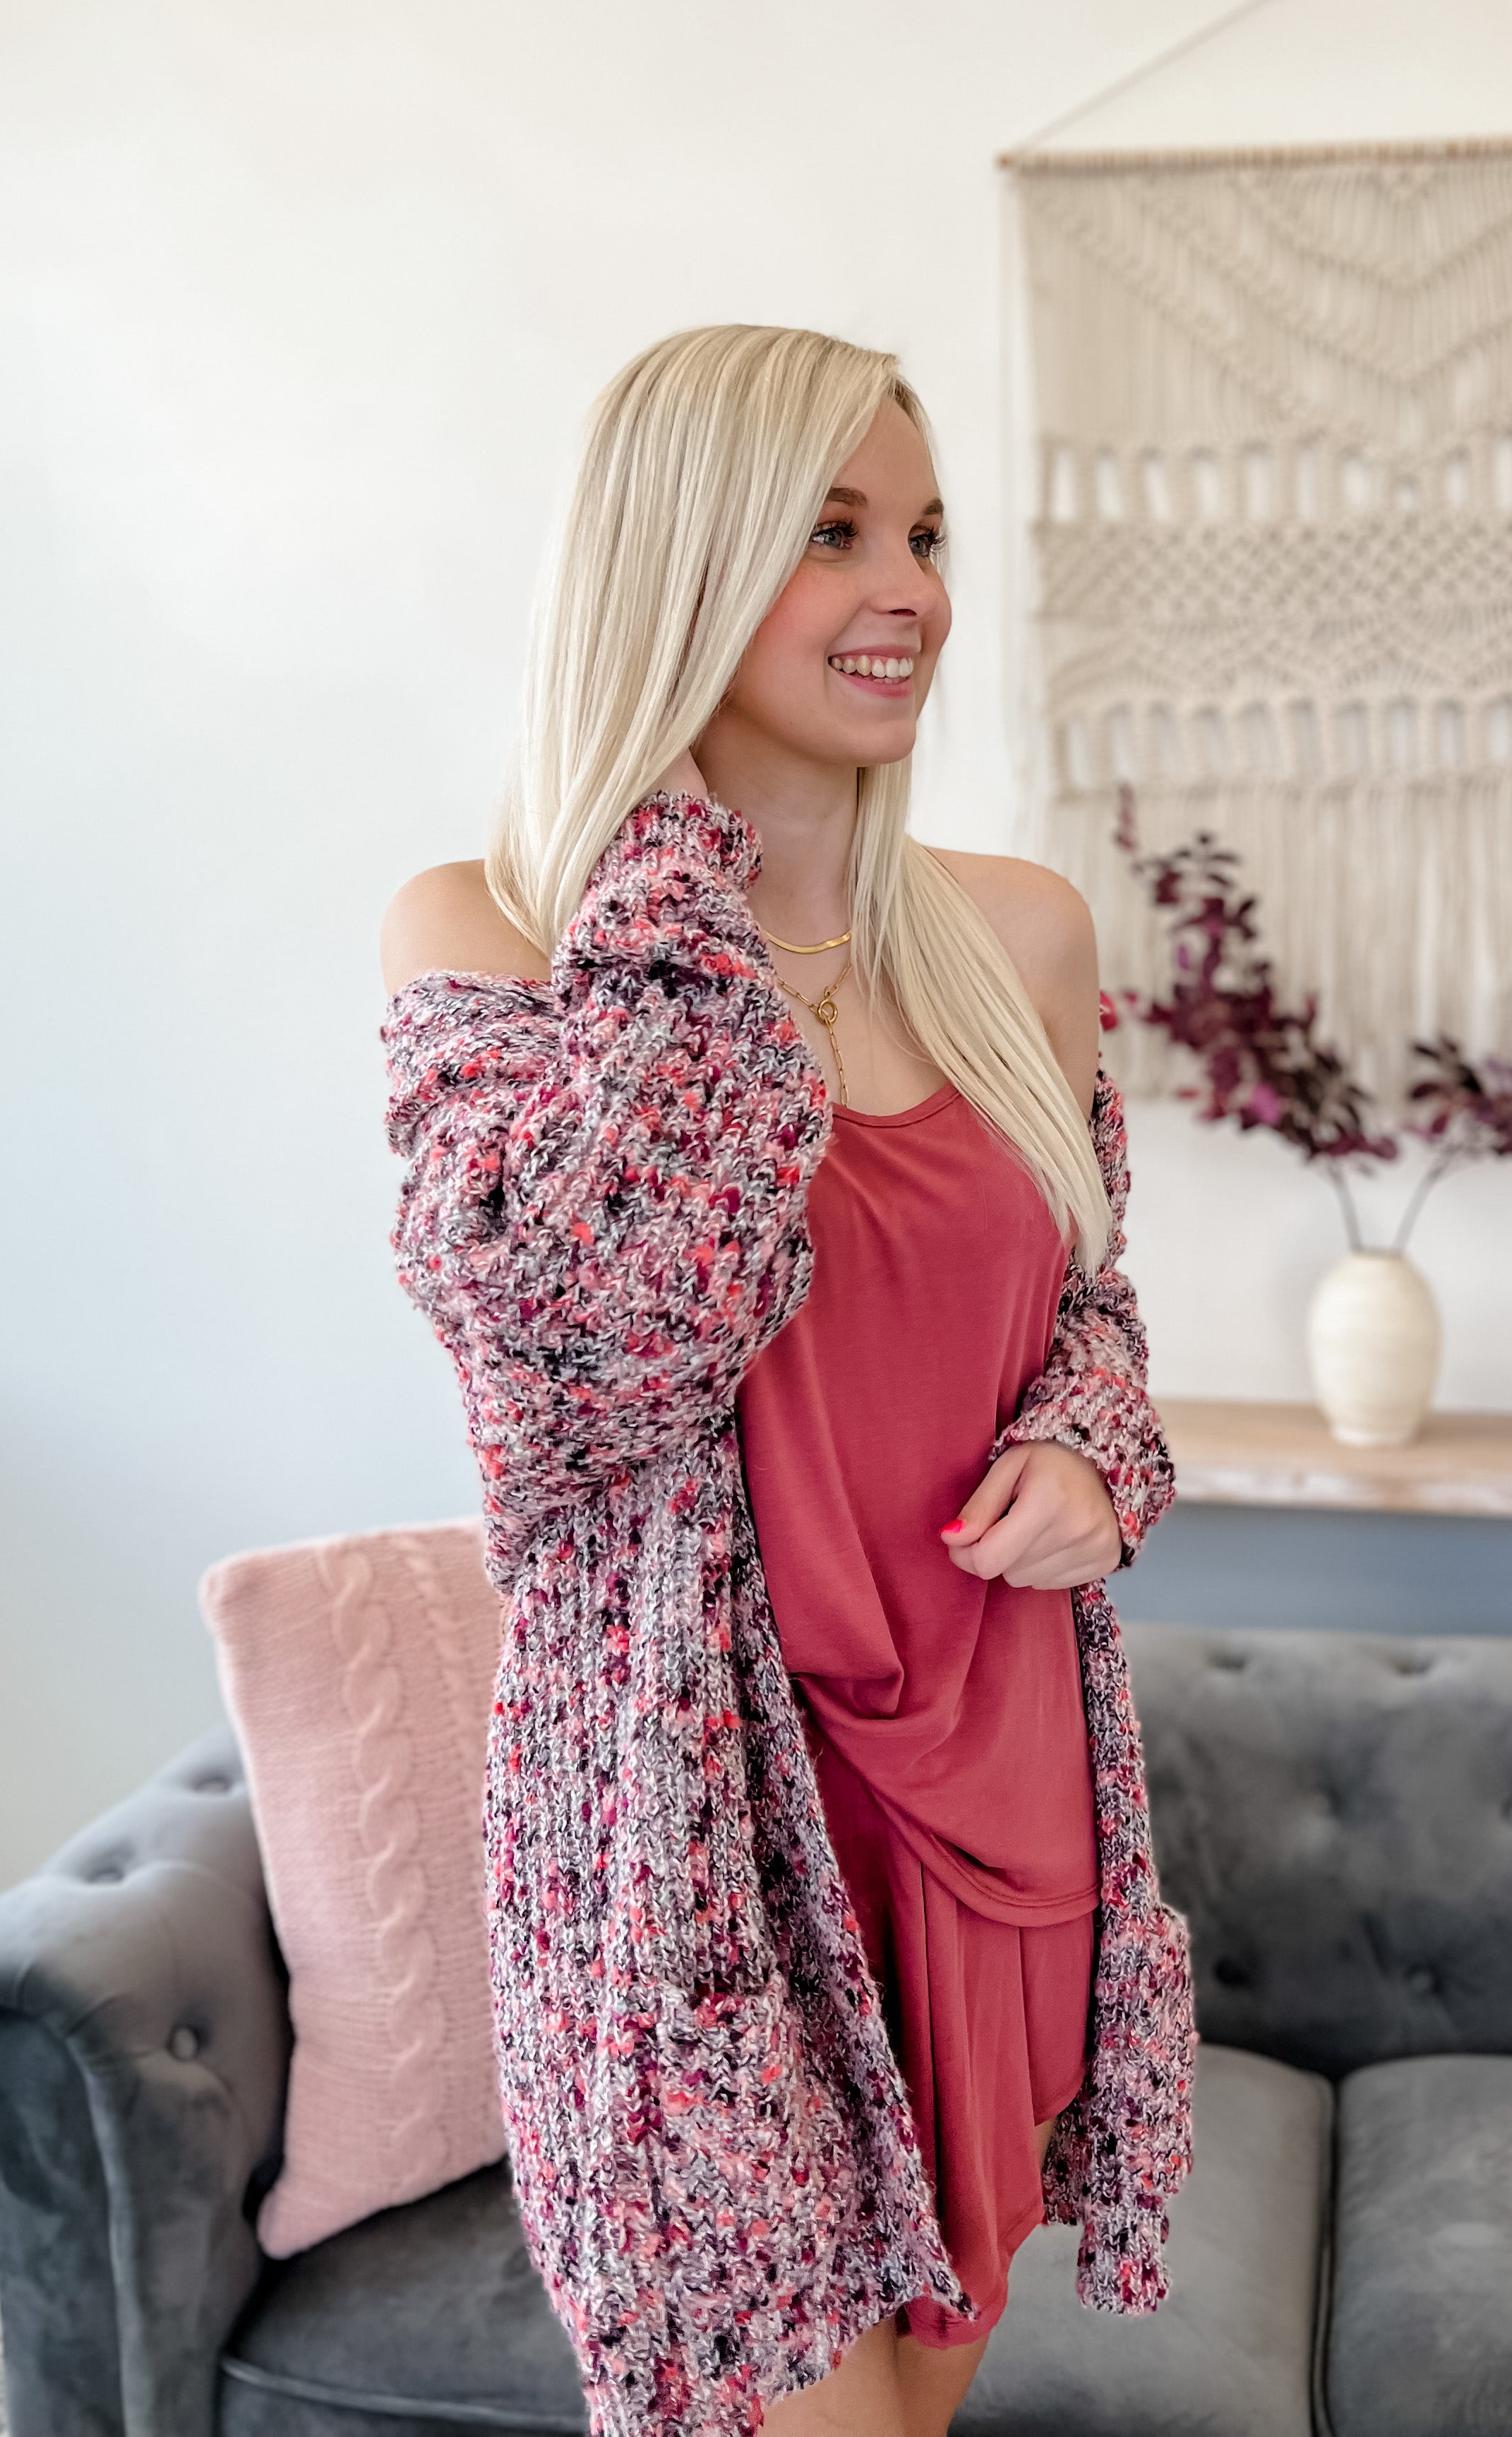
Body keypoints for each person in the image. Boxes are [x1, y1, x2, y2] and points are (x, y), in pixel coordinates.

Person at [377, 325, 1195, 2437]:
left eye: (924, 533)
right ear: (682, 561)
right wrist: (688, 892)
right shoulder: (502, 939)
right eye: (831, 532)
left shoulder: (1020, 938)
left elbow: (1090, 1301)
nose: (908, 588)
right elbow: (575, 1363)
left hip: (999, 1800)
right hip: (694, 1846)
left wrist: (1095, 1447)